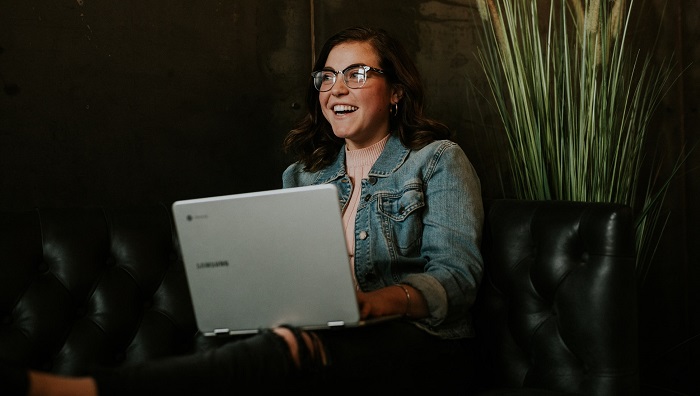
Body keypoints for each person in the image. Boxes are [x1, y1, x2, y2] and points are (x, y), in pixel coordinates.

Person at [4, 26, 484, 395]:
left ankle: (76, 391)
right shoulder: (303, 175)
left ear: (396, 91)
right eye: (326, 77)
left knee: (280, 356)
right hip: (333, 339)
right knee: (233, 347)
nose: (336, 89)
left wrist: (370, 305)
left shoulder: (437, 160)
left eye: (357, 74)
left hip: (423, 343)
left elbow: (456, 280)